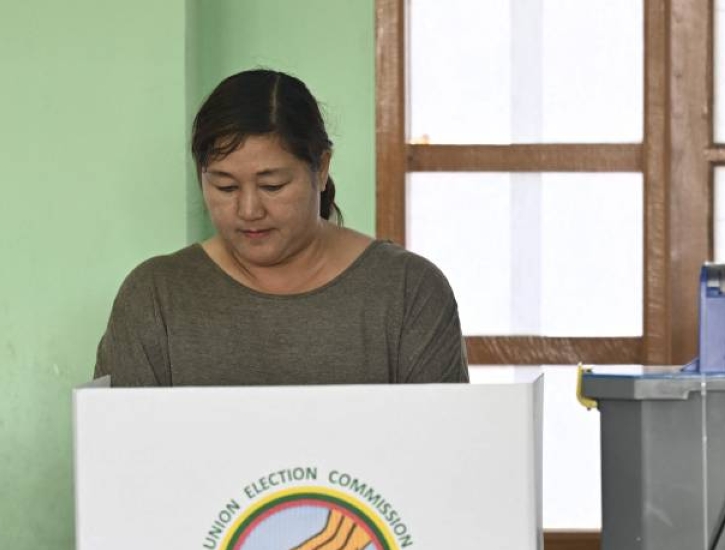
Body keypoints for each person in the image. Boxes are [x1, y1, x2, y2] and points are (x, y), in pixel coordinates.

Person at [94, 69, 469, 387]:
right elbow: (117, 458)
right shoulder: (155, 298)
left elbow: (443, 455)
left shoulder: (408, 292)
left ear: (321, 169)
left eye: (272, 185)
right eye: (225, 187)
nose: (249, 209)